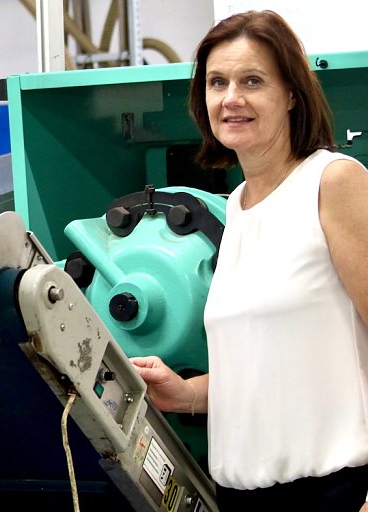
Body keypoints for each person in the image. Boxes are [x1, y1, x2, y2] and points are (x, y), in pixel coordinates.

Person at [130, 10, 368, 512]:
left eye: (252, 81)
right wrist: (187, 393)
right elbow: (275, 365)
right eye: (218, 82)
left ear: (291, 95)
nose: (231, 98)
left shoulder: (333, 182)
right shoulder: (237, 204)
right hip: (239, 495)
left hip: (333, 492)